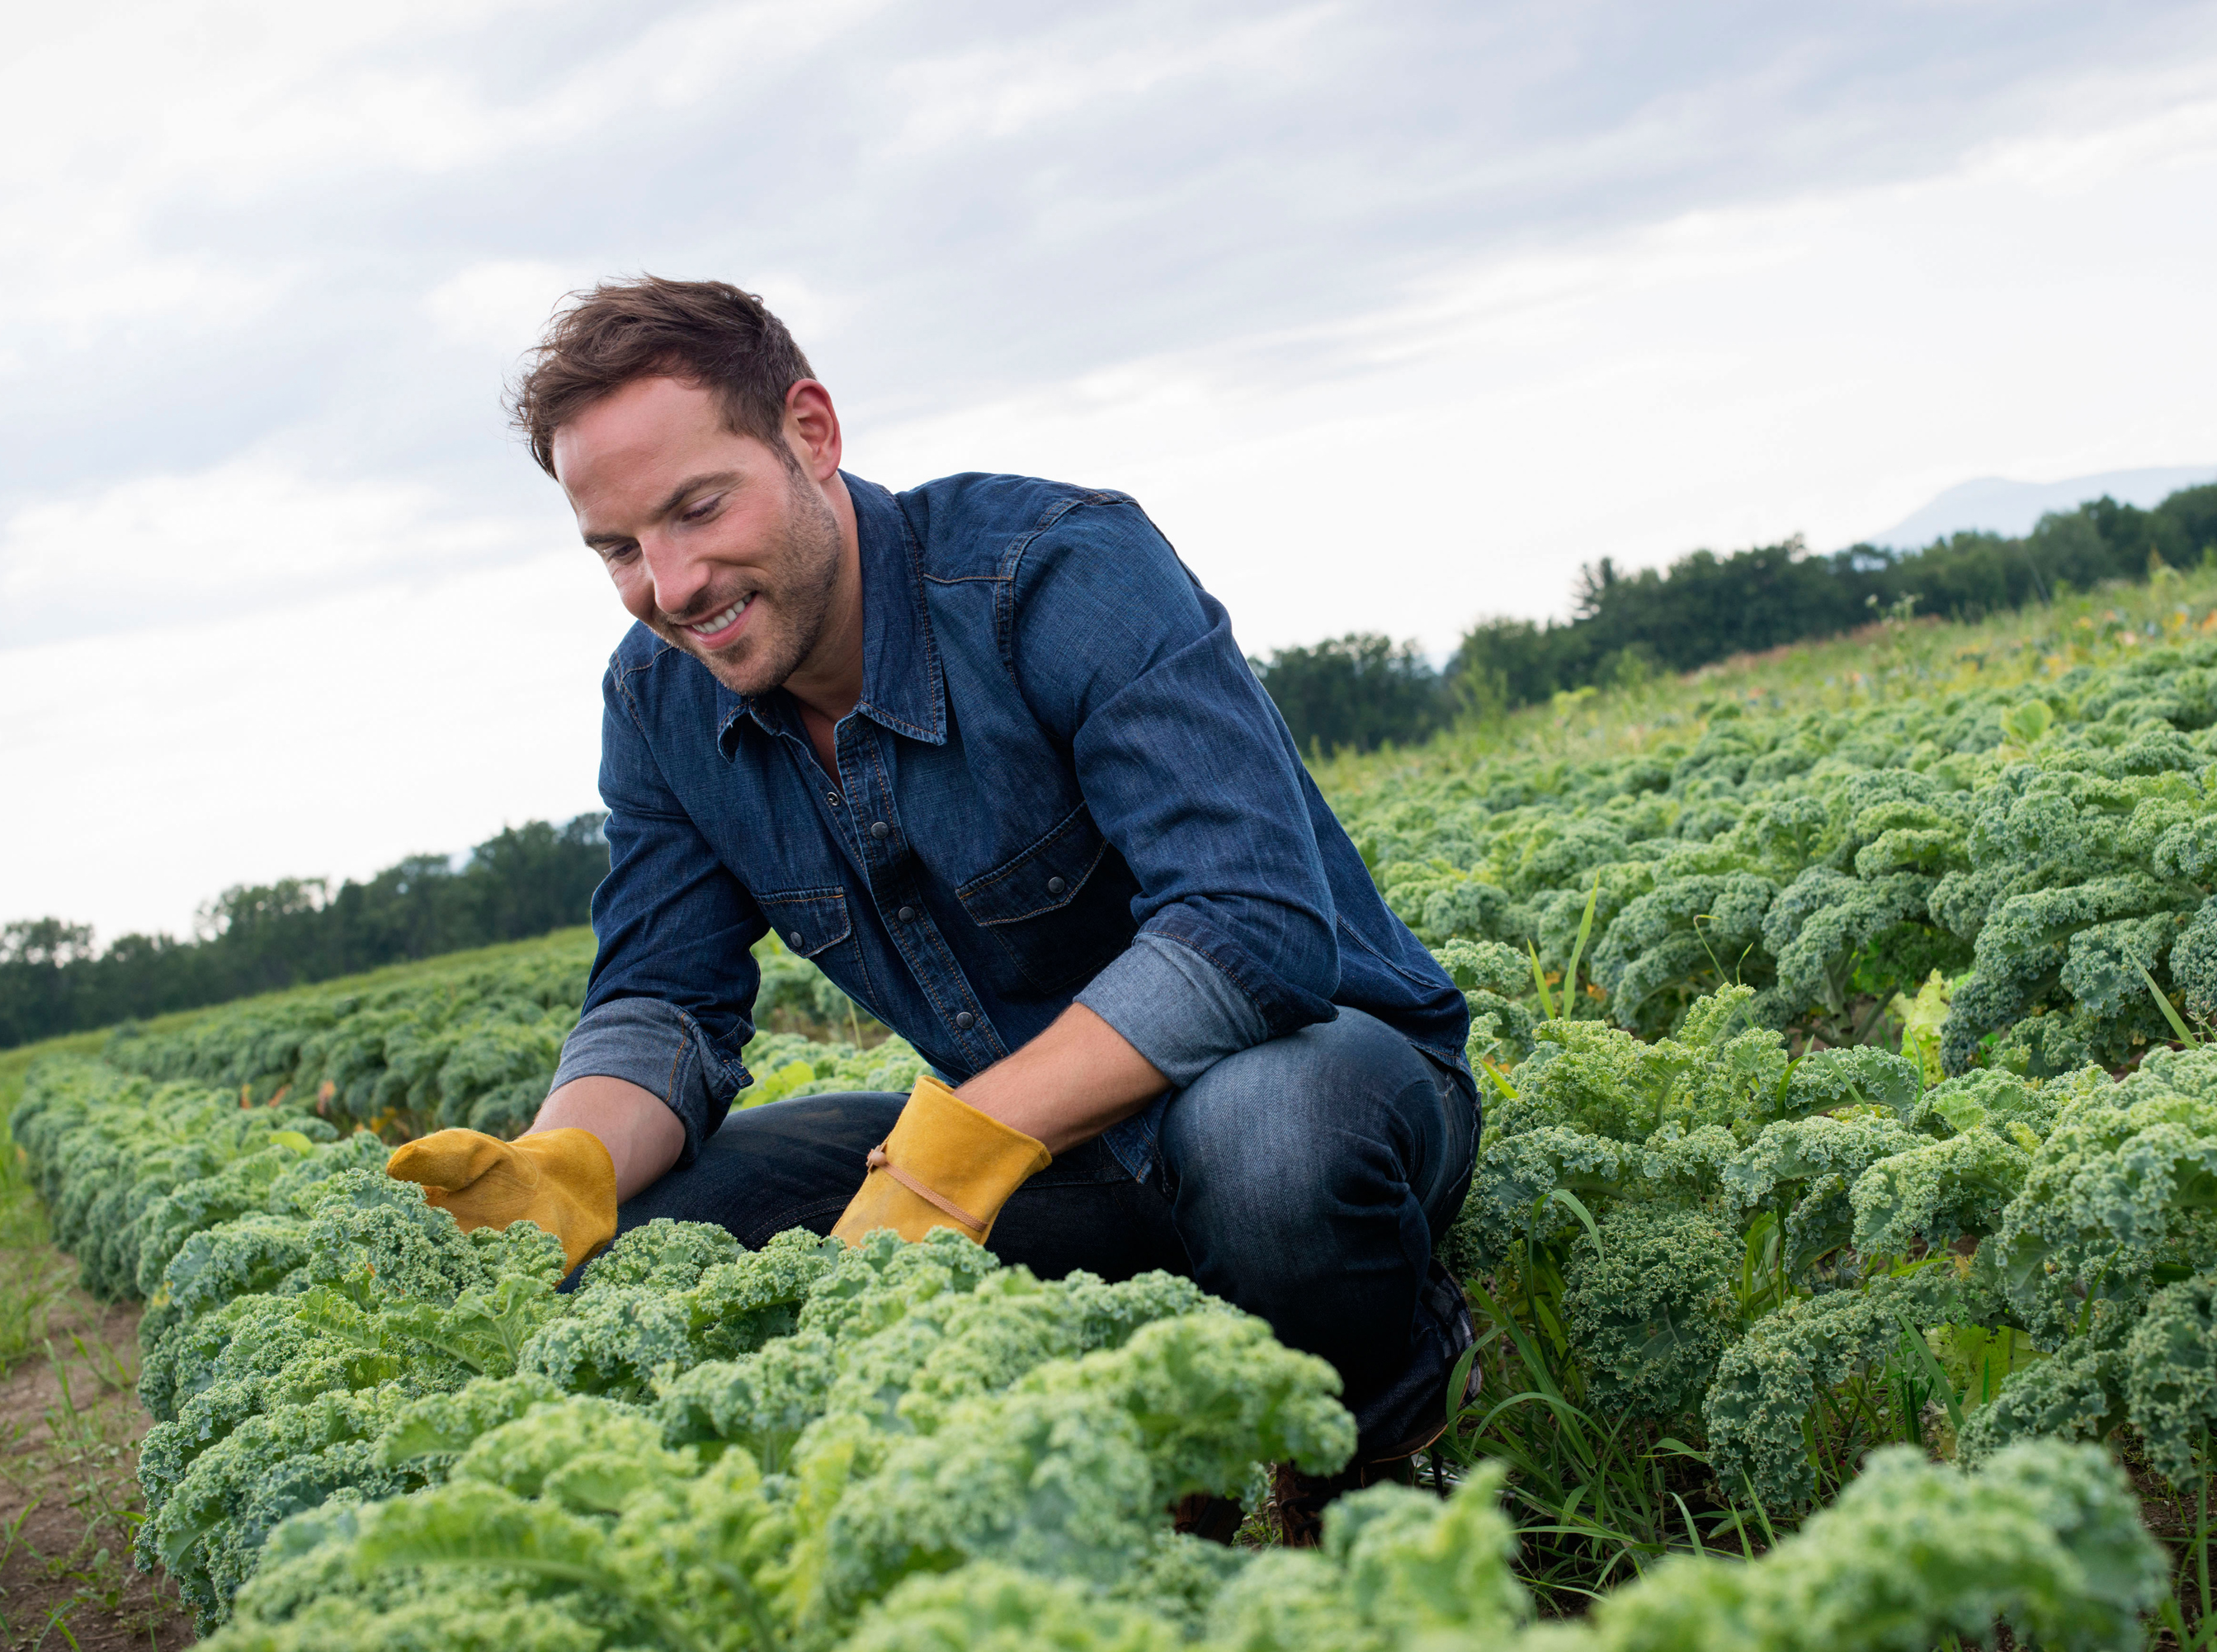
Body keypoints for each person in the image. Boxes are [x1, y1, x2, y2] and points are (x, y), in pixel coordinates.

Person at [383, 276, 1479, 1499]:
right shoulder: (658, 700)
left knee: (1271, 1145)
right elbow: (662, 1001)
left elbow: (1252, 925)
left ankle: (1373, 1462)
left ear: (811, 432)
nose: (673, 583)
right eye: (620, 549)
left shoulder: (1056, 571)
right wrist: (564, 1161)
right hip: (1037, 1166)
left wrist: (960, 1147)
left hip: (1319, 1082)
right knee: (644, 1243)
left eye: (698, 509)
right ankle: (1070, 1491)